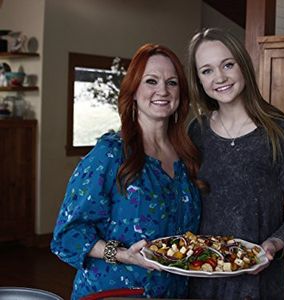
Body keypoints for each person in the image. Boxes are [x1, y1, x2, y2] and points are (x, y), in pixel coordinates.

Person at [51, 43, 204, 299]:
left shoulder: (187, 156)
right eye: (151, 81)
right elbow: (67, 235)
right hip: (116, 292)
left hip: (174, 292)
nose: (162, 91)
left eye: (172, 82)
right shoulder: (110, 154)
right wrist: (123, 254)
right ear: (133, 91)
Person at [186, 28, 284, 300]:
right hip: (202, 281)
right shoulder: (196, 132)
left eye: (227, 65)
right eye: (206, 71)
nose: (219, 77)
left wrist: (274, 244)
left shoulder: (281, 132)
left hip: (258, 284)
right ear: (198, 79)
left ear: (243, 65)